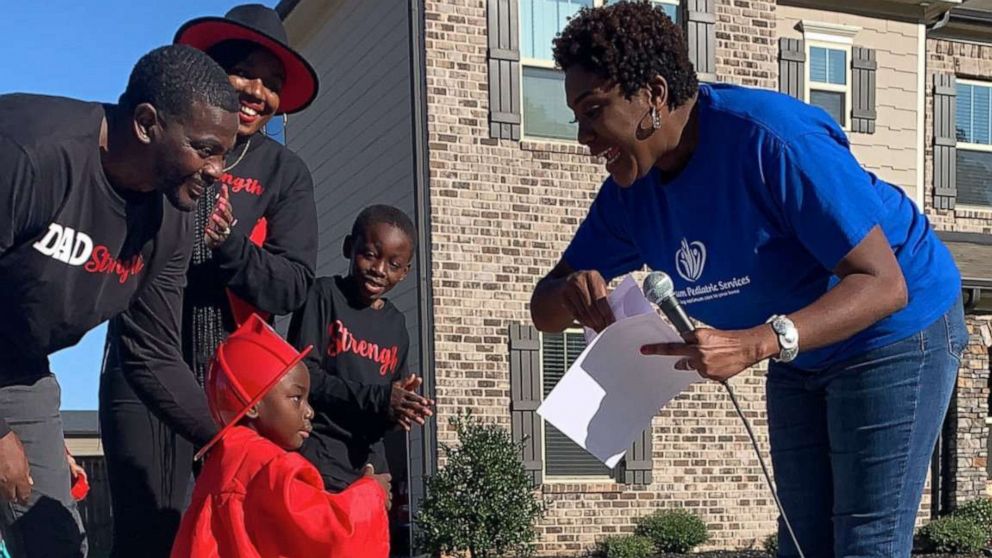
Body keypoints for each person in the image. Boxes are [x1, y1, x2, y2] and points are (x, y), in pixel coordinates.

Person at [529, 3, 965, 557]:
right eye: (577, 117)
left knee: (865, 540)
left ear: (654, 96)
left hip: (895, 331)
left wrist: (760, 341)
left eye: (594, 110)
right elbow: (542, 311)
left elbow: (884, 283)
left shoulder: (771, 140)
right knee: (801, 542)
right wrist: (570, 293)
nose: (584, 136)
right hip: (798, 349)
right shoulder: (629, 195)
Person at [0, 44, 238, 557]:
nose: (218, 170)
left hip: (16, 366)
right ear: (148, 123)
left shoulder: (170, 219)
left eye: (226, 152)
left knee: (54, 542)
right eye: (204, 148)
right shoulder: (26, 150)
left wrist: (231, 440)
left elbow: (151, 352)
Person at [100, 5, 320, 556]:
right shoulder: (167, 140)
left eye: (271, 85)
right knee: (146, 530)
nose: (257, 91)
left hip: (236, 389)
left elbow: (292, 285)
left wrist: (231, 251)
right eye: (244, 72)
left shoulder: (284, 172)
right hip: (142, 359)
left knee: (224, 533)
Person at [171, 314, 390, 558]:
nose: (309, 411)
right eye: (296, 398)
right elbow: (332, 535)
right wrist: (373, 493)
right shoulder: (270, 466)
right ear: (252, 405)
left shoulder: (220, 465)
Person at [288, 205, 434, 493]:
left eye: (394, 264)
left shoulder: (396, 326)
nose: (379, 270)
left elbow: (382, 413)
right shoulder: (323, 296)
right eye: (370, 255)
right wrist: (380, 398)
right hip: (315, 460)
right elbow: (305, 378)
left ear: (405, 272)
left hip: (365, 472)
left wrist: (402, 409)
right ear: (348, 247)